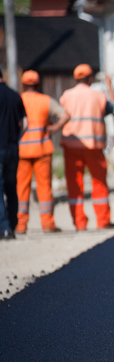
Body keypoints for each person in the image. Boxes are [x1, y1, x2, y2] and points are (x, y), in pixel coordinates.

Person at [59, 64, 114, 230]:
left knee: (74, 185)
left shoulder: (66, 96)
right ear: (90, 79)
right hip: (94, 146)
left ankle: (79, 223)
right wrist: (110, 87)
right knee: (99, 183)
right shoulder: (99, 96)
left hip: (71, 146)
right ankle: (103, 221)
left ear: (76, 79)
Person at [15, 71, 70, 234]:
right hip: (42, 149)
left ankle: (20, 224)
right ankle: (47, 224)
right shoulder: (45, 101)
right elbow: (65, 115)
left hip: (22, 150)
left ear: (23, 85)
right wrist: (53, 128)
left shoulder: (18, 100)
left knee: (21, 188)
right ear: (38, 85)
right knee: (44, 187)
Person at [0, 67, 28, 239]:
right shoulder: (15, 95)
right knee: (11, 187)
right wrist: (17, 139)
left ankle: (4, 228)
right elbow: (25, 123)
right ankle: (13, 223)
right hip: (13, 148)